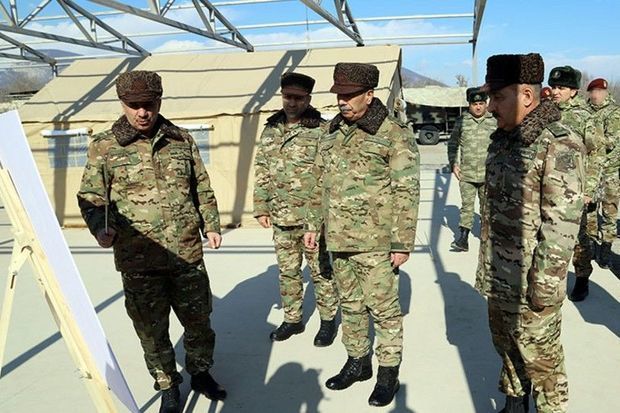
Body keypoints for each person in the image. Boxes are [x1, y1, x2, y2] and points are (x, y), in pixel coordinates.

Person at [77, 70, 226, 413]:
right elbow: (91, 197)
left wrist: (211, 225)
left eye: (149, 104)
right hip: (138, 259)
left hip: (186, 253)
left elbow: (201, 187)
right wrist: (100, 228)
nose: (142, 112)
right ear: (122, 103)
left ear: (159, 101)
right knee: (150, 330)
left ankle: (200, 372)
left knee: (199, 322)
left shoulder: (181, 140)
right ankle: (168, 387)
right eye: (134, 105)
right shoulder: (105, 145)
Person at [303, 62, 420, 407]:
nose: (342, 101)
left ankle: (388, 374)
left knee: (384, 311)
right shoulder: (331, 131)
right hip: (338, 239)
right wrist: (312, 225)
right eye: (339, 95)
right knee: (351, 306)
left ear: (369, 95)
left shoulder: (393, 132)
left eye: (350, 95)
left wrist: (402, 242)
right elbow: (318, 182)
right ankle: (358, 362)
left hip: (376, 243)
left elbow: (407, 190)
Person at [476, 53, 585, 413]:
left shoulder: (559, 143)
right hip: (499, 273)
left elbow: (561, 226)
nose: (490, 107)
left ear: (526, 95)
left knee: (542, 362)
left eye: (498, 97)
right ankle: (514, 402)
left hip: (533, 281)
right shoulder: (503, 139)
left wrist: (545, 289)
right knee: (505, 345)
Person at [253, 72, 339, 345]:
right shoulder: (271, 129)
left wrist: (319, 217)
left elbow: (327, 176)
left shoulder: (321, 130)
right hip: (281, 217)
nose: (292, 103)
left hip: (312, 219)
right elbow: (262, 168)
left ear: (308, 99)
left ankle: (328, 321)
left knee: (320, 272)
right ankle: (293, 319)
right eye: (288, 97)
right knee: (288, 272)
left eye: (298, 98)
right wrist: (261, 206)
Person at [548, 66, 605, 301]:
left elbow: (597, 154)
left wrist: (589, 189)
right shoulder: (545, 113)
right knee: (550, 235)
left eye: (561, 88)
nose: (555, 91)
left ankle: (582, 277)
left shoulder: (585, 117)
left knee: (580, 237)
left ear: (573, 91)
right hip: (549, 187)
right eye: (553, 87)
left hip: (576, 189)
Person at [447, 86, 496, 251]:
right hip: (466, 174)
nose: (478, 107)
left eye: (481, 103)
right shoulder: (462, 121)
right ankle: (463, 239)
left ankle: (487, 237)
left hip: (487, 174)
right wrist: (453, 164)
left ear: (486, 103)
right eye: (475, 104)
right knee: (467, 207)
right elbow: (452, 144)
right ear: (469, 105)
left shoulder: (494, 121)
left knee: (486, 207)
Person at [586, 78, 620, 269]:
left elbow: (612, 141)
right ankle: (591, 247)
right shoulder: (586, 111)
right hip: (591, 170)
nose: (596, 95)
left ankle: (605, 252)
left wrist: (589, 139)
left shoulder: (614, 112)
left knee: (609, 213)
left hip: (609, 172)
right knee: (590, 211)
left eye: (600, 91)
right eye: (594, 91)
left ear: (606, 93)